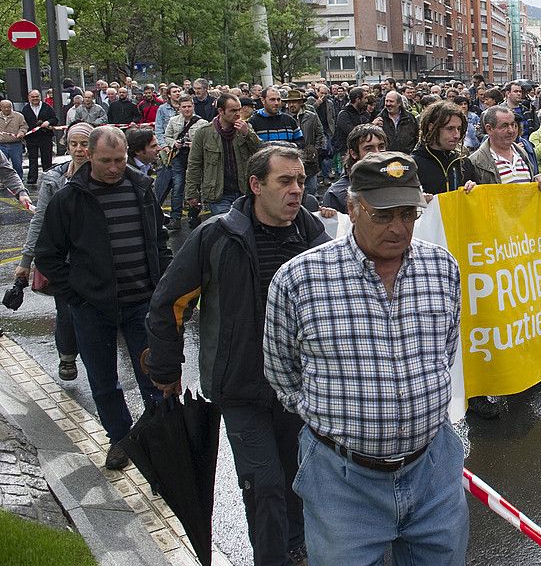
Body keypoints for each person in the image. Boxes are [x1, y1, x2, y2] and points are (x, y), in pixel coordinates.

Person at [264, 152, 469, 566]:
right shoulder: (299, 279)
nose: (398, 228)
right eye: (383, 215)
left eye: (408, 214)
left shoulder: (442, 267)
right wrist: (335, 422)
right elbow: (281, 372)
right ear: (353, 208)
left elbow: (445, 350)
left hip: (433, 470)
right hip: (342, 482)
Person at [146, 146, 327, 566]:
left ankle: (294, 545)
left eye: (300, 181)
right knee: (263, 484)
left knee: (298, 478)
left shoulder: (313, 235)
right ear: (256, 184)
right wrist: (165, 368)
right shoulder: (216, 236)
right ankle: (272, 558)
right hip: (240, 387)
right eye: (285, 181)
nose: (297, 190)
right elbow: (170, 302)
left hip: (300, 388)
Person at [34, 126, 170, 470]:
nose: (114, 168)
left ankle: (159, 439)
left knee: (153, 375)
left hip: (141, 302)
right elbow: (48, 255)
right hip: (93, 309)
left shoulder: (141, 188)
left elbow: (158, 240)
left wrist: (163, 289)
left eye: (120, 160)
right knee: (103, 380)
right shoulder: (69, 199)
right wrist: (76, 294)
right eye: (106, 161)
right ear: (89, 156)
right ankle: (121, 438)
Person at [186, 93, 263, 217]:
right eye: (233, 110)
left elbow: (260, 151)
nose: (238, 114)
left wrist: (247, 134)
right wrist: (191, 193)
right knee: (229, 227)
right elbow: (194, 164)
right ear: (221, 111)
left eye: (239, 109)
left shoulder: (245, 128)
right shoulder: (204, 133)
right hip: (218, 193)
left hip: (243, 190)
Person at [468, 106, 541, 188]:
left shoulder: (523, 153)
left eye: (513, 125)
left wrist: (537, 180)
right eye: (504, 126)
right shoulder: (475, 162)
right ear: (489, 129)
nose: (511, 130)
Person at [412, 101, 478, 197]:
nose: (457, 135)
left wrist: (474, 190)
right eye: (450, 129)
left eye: (459, 129)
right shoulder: (414, 165)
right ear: (432, 127)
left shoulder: (464, 163)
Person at [322, 123, 387, 214]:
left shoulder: (394, 184)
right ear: (353, 153)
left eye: (381, 147)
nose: (377, 153)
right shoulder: (336, 194)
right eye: (369, 148)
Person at [162, 95, 205, 230]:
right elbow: (167, 136)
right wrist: (174, 143)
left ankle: (194, 216)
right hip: (178, 157)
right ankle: (175, 218)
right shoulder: (173, 121)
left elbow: (206, 141)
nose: (187, 109)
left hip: (195, 159)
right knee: (178, 187)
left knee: (196, 188)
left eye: (189, 106)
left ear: (193, 106)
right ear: (179, 108)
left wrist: (195, 145)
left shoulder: (202, 123)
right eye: (184, 107)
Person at [286, 88, 326, 198]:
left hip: (310, 159)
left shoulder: (311, 116)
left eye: (294, 102)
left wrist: (315, 149)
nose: (291, 105)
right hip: (290, 158)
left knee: (311, 188)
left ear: (301, 102)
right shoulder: (284, 118)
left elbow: (320, 133)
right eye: (289, 102)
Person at [21, 89, 57, 184]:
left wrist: (48, 122)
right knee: (32, 158)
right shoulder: (25, 109)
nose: (35, 98)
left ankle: (48, 176)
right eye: (33, 97)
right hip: (31, 137)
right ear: (29, 98)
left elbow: (55, 119)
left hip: (45, 136)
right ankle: (32, 178)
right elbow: (23, 122)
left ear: (40, 97)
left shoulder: (47, 107)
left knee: (47, 157)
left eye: (37, 96)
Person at [0, 99, 28, 178]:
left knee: (17, 164)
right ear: (0, 107)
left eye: (9, 107)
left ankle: (19, 180)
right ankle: (4, 181)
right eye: (4, 107)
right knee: (2, 165)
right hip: (1, 145)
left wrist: (21, 133)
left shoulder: (19, 116)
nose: (6, 109)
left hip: (15, 144)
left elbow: (24, 126)